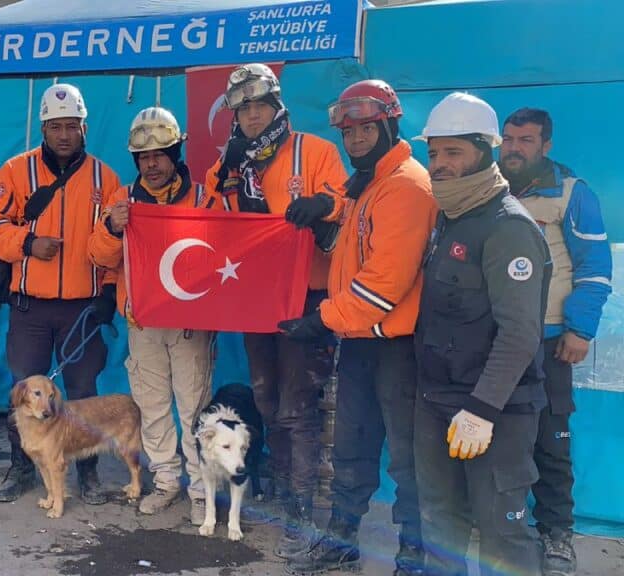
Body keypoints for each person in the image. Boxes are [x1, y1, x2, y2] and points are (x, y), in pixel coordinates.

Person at [279, 79, 435, 575]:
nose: (356, 140)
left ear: (390, 123)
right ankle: (343, 540)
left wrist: (320, 320)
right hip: (363, 343)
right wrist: (325, 212)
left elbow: (383, 284)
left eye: (366, 128)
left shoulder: (407, 186)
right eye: (348, 133)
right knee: (351, 449)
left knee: (408, 460)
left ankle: (414, 554)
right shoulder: (369, 183)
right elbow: (348, 223)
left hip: (397, 346)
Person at [413, 92, 550, 576]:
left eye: (454, 153)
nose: (440, 165)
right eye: (433, 154)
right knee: (440, 526)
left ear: (484, 152)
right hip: (436, 400)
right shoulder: (450, 218)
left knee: (502, 536)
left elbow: (519, 334)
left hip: (496, 411)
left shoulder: (508, 227)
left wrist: (481, 410)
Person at [205, 63, 348, 528]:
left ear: (276, 105)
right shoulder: (228, 165)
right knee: (265, 399)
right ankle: (281, 481)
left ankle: (301, 507)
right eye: (241, 108)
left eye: (259, 105)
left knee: (297, 404)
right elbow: (206, 219)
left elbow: (345, 198)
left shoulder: (316, 150)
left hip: (307, 294)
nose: (251, 116)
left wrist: (325, 205)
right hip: (255, 297)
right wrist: (219, 176)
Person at [0, 83, 120, 504]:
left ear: (84, 127)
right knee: (25, 393)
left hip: (81, 308)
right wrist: (27, 243)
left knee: (83, 395)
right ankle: (20, 468)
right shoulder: (14, 171)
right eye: (55, 126)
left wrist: (108, 293)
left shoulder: (105, 177)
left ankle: (87, 473)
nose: (63, 135)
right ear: (43, 128)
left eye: (71, 126)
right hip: (31, 309)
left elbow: (115, 243)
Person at [88, 107, 220, 520]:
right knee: (153, 407)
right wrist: (112, 227)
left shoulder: (203, 198)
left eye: (160, 153)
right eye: (144, 156)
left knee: (195, 407)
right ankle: (166, 481)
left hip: (188, 326)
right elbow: (98, 256)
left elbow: (225, 253)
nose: (152, 163)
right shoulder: (121, 202)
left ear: (175, 153)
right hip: (142, 323)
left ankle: (201, 491)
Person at [500, 107, 611, 576]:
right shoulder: (487, 191)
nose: (513, 148)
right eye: (507, 139)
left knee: (551, 442)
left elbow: (595, 269)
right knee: (497, 438)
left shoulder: (571, 194)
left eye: (525, 141)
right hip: (495, 342)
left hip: (549, 343)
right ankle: (504, 526)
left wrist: (580, 329)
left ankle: (557, 535)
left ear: (546, 145)